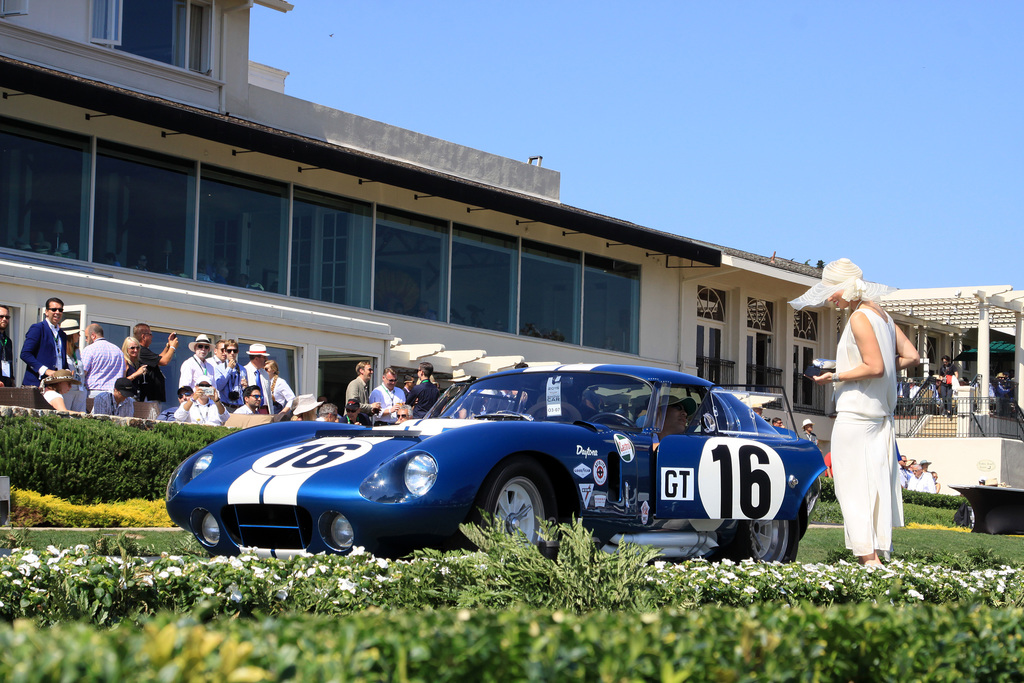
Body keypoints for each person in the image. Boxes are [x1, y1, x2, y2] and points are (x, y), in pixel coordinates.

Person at [794, 258, 920, 566]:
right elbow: (910, 356)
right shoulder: (884, 316)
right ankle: (874, 555)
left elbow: (875, 367)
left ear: (847, 287)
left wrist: (835, 375)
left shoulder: (860, 319)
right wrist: (855, 369)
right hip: (878, 416)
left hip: (857, 414)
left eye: (833, 291)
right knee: (873, 484)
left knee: (851, 486)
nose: (830, 298)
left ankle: (869, 559)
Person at [20, 297, 68, 386]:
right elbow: (25, 354)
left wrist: (67, 371)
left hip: (56, 384)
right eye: (54, 309)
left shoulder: (62, 335)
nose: (57, 312)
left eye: (60, 310)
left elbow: (61, 358)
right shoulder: (38, 328)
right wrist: (45, 370)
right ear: (46, 312)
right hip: (37, 383)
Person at [134, 323, 178, 403]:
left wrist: (168, 346)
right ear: (143, 336)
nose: (152, 337)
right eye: (150, 334)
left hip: (153, 397)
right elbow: (164, 362)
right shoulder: (141, 350)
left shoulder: (144, 350)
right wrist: (173, 347)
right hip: (148, 397)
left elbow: (159, 359)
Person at [80, 323, 123, 397]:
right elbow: (123, 373)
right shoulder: (118, 350)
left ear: (93, 335)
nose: (86, 340)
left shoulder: (90, 349)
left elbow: (82, 372)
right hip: (114, 394)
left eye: (87, 337)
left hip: (94, 392)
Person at [59, 319, 88, 412]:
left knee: (80, 418)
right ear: (71, 335)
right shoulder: (61, 350)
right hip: (68, 390)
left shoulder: (76, 351)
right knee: (65, 416)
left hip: (80, 390)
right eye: (77, 333)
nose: (79, 336)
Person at [242, 343, 275, 414]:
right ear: (256, 358)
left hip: (265, 410)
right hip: (251, 411)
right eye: (264, 357)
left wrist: (272, 413)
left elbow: (269, 396)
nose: (266, 359)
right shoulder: (244, 371)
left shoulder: (265, 373)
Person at [214, 338, 245, 411]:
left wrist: (245, 387)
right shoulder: (219, 368)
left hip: (239, 406)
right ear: (225, 351)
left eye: (235, 351)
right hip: (225, 406)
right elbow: (219, 386)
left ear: (238, 352)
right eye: (229, 351)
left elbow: (245, 391)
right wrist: (229, 369)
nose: (232, 353)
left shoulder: (242, 369)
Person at [0, 304, 15, 387]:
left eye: (7, 317)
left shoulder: (8, 341)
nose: (4, 319)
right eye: (1, 316)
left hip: (6, 382)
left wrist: (12, 379)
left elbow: (9, 361)